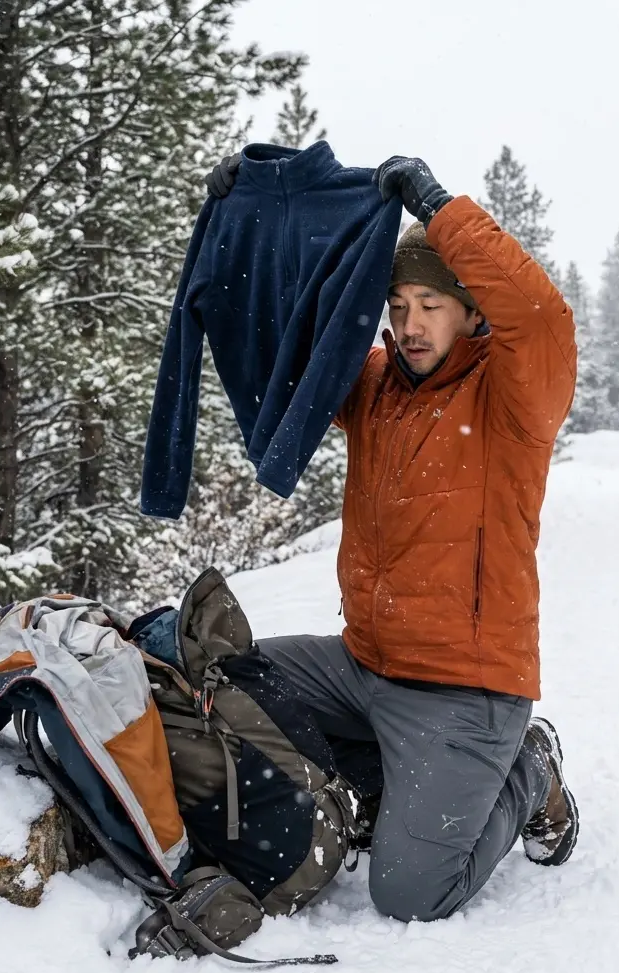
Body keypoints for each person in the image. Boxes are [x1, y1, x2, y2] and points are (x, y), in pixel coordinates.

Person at [205, 152, 579, 923]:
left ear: (472, 313)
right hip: (364, 666)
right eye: (399, 304)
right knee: (235, 676)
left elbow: (542, 317)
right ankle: (383, 772)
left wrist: (440, 208)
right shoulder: (374, 386)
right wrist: (245, 215)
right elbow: (288, 328)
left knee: (408, 893)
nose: (409, 325)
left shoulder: (513, 399)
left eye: (432, 305)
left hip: (464, 688)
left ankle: (527, 767)